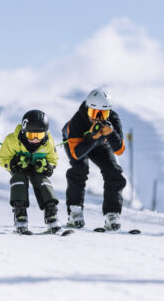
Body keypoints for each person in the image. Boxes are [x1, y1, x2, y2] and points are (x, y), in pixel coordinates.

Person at [62, 88, 126, 230]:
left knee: (114, 172)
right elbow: (76, 154)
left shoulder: (113, 119)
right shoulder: (78, 120)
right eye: (93, 113)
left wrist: (111, 134)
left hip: (100, 145)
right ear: (87, 109)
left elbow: (119, 150)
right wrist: (92, 138)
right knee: (80, 169)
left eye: (103, 114)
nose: (98, 117)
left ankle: (112, 213)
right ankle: (75, 211)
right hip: (78, 144)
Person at [0, 109, 60, 234]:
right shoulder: (12, 140)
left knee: (42, 181)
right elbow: (2, 158)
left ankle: (51, 213)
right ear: (24, 131)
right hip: (20, 169)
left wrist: (48, 167)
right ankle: (20, 214)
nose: (36, 139)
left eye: (40, 135)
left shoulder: (48, 142)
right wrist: (13, 164)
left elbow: (53, 160)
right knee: (19, 179)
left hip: (37, 170)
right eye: (31, 135)